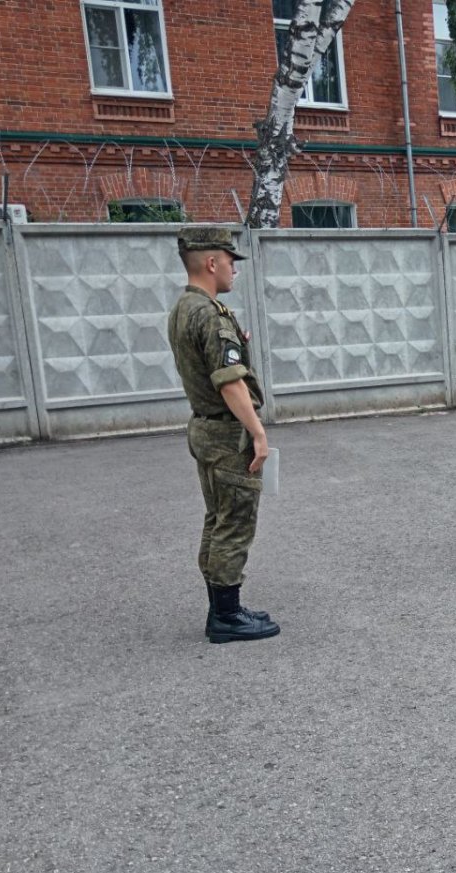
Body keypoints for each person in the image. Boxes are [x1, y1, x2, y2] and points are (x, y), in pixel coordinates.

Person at [167, 226, 280, 644]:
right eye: (230, 261)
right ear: (211, 262)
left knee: (217, 518)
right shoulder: (209, 314)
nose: (234, 268)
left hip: (204, 428)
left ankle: (223, 606)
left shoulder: (186, 307)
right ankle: (226, 618)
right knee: (234, 521)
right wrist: (258, 433)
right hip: (226, 433)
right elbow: (230, 383)